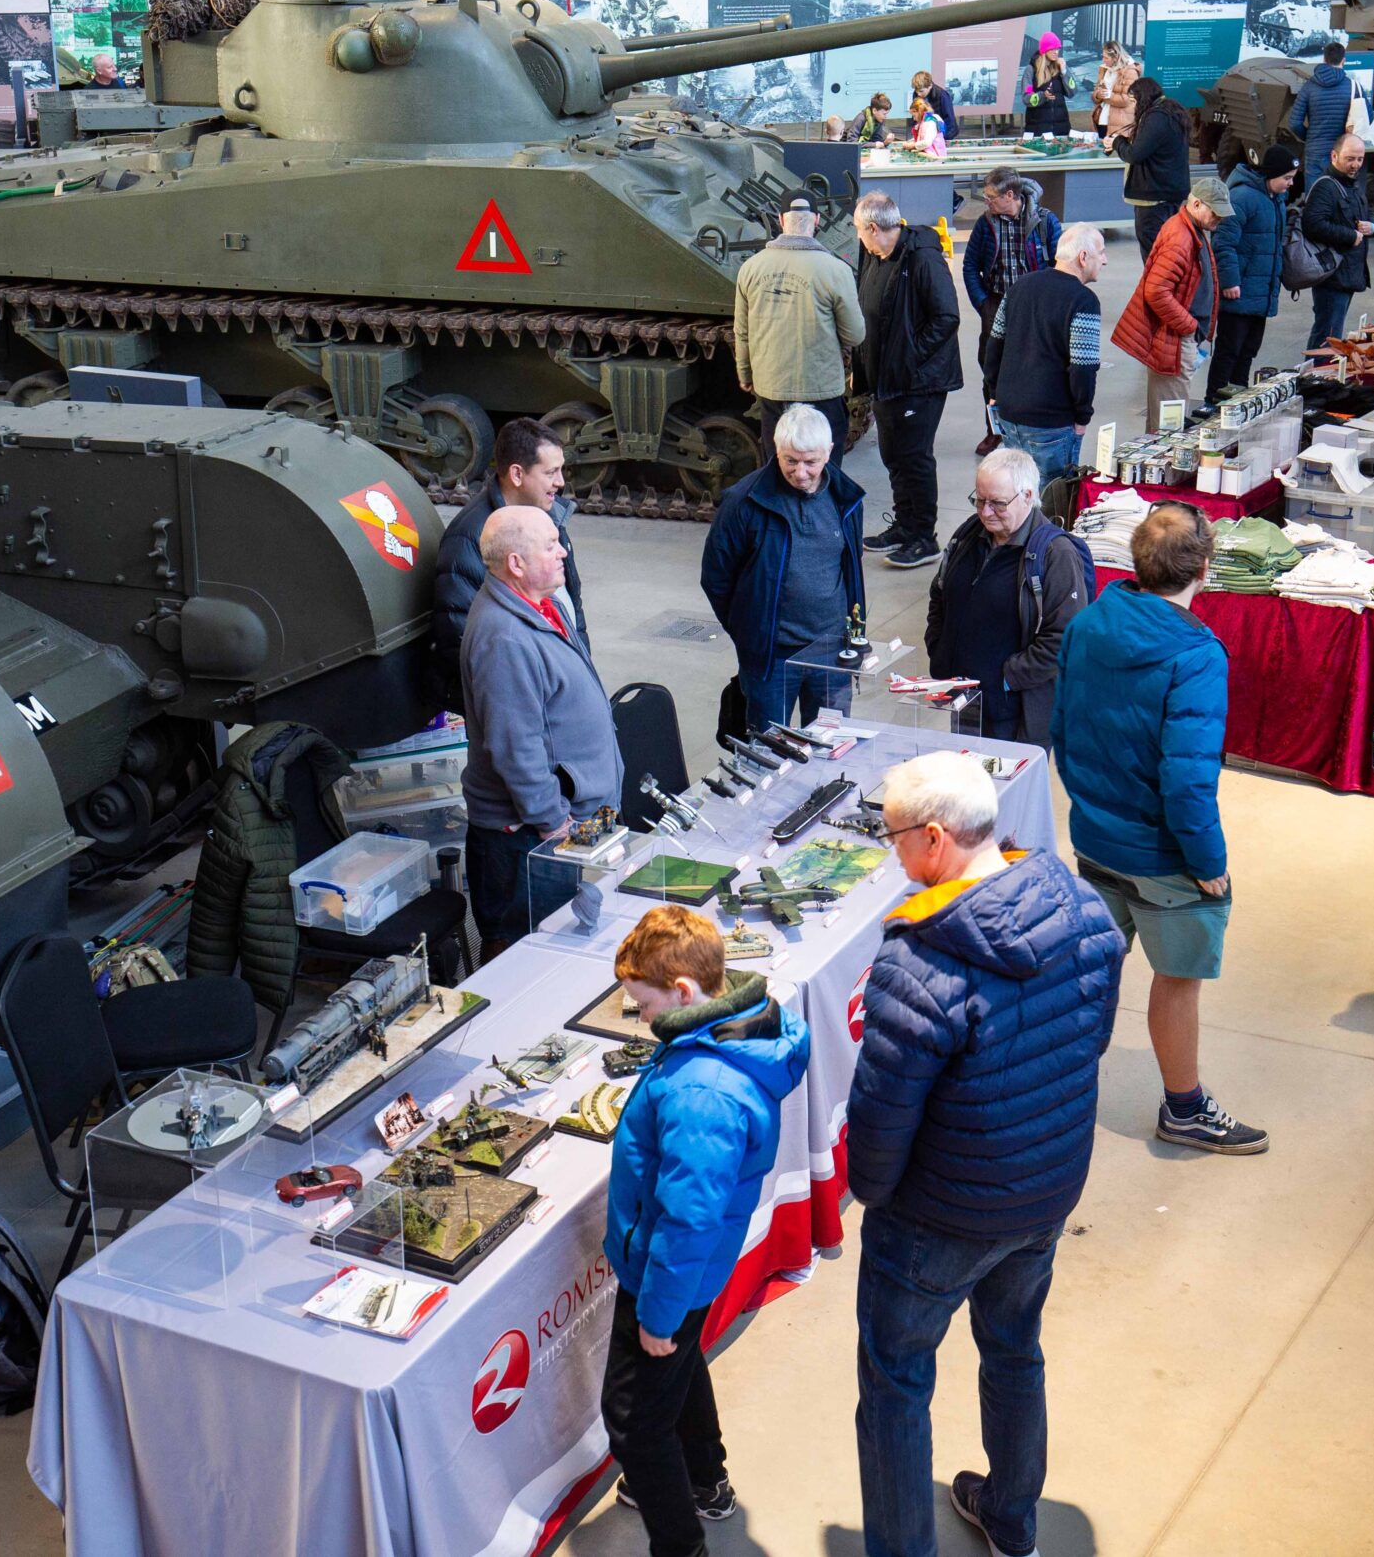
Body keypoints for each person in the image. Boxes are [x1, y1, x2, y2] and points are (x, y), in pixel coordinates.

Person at [846, 752, 1125, 1557]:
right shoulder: (1076, 901)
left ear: (934, 838)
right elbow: (1093, 1033)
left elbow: (881, 1117)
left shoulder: (918, 961)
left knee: (896, 1384)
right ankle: (1011, 1519)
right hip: (1043, 1194)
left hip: (937, 1218)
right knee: (1013, 1346)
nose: (891, 853)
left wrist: (875, 1194)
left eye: (894, 836)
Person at [1054, 504, 1268, 1155]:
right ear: (1206, 568)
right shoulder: (1196, 654)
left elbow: (1064, 729)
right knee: (1176, 980)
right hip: (1162, 853)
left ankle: (1049, 1090)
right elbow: (1186, 780)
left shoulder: (1089, 621)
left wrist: (1092, 807)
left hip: (1094, 836)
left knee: (1087, 971)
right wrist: (1208, 861)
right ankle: (1184, 1109)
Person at [600, 906, 809, 1556]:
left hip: (664, 1276)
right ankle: (705, 1476)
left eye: (642, 1003)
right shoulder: (723, 1035)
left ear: (684, 993)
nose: (639, 1017)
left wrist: (657, 1314)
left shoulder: (701, 1093)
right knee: (680, 1364)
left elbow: (688, 1219)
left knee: (634, 1420)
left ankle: (681, 1543)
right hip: (690, 1272)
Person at [460, 504, 624, 953]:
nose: (563, 553)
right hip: (528, 841)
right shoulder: (504, 637)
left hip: (553, 832)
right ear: (516, 563)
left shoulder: (542, 605)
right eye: (550, 546)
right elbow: (515, 747)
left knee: (558, 942)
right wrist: (554, 820)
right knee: (522, 955)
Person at [701, 404, 866, 730]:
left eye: (811, 462)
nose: (800, 472)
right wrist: (751, 630)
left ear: (829, 451)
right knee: (767, 753)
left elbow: (851, 567)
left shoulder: (845, 498)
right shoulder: (744, 502)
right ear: (775, 450)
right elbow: (716, 577)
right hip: (772, 658)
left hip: (832, 652)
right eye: (790, 460)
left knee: (829, 749)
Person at [924, 448, 1096, 746]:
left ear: (1028, 496)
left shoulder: (1057, 555)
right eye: (979, 500)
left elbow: (1065, 638)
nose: (985, 512)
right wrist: (938, 647)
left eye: (998, 503)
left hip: (1015, 715)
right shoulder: (970, 534)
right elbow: (940, 593)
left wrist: (1005, 679)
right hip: (966, 699)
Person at [431, 417, 586, 712]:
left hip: (558, 686)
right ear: (517, 474)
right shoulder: (469, 539)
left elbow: (570, 603)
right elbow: (461, 637)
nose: (561, 482)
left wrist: (579, 667)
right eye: (551, 472)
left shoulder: (546, 514)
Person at [850, 192, 963, 570]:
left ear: (873, 227)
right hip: (886, 379)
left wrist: (910, 356)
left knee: (914, 458)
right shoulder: (874, 255)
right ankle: (903, 524)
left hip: (919, 382)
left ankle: (924, 536)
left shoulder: (923, 258)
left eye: (859, 231)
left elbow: (946, 317)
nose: (859, 238)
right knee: (893, 456)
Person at [733, 194, 864, 463]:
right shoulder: (835, 270)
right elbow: (855, 334)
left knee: (780, 464)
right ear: (816, 221)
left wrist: (745, 373)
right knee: (824, 467)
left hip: (772, 388)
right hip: (822, 389)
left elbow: (742, 331)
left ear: (781, 221)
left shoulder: (750, 268)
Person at [984, 225, 1103, 480]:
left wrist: (994, 392)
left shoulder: (1020, 286)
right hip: (1052, 423)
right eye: (1100, 253)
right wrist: (1083, 415)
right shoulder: (1084, 301)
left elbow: (994, 344)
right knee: (1052, 503)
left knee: (1015, 494)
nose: (1105, 259)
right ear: (1083, 257)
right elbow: (1083, 368)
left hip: (1009, 414)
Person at [1114, 174, 1228, 428]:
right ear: (1196, 204)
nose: (1219, 218)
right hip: (1174, 339)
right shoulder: (1181, 237)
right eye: (1215, 212)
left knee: (1166, 419)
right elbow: (1155, 291)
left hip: (1178, 338)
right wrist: (1188, 326)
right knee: (1169, 425)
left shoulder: (1191, 229)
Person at [962, 169, 1066, 412]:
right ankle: (994, 432)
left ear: (1010, 195)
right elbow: (969, 266)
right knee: (992, 367)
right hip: (996, 304)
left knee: (1034, 366)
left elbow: (1060, 265)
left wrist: (1047, 305)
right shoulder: (985, 223)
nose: (986, 203)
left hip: (1034, 308)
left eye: (990, 197)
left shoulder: (1045, 221)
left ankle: (1026, 424)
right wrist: (983, 304)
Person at [1207, 143, 1297, 399]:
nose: (1290, 184)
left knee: (1248, 351)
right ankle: (1214, 400)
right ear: (1270, 175)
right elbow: (1223, 242)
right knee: (1229, 351)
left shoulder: (1275, 200)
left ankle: (1237, 397)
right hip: (1239, 293)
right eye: (1286, 178)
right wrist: (1230, 281)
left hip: (1260, 293)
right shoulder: (1243, 198)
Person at [1302, 133, 1374, 353]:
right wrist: (1350, 235)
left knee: (1332, 332)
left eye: (1360, 159)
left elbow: (1368, 212)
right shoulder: (1326, 187)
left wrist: (1371, 225)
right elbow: (1313, 224)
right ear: (1334, 156)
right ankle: (1316, 378)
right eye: (1350, 159)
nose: (1355, 165)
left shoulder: (1352, 185)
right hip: (1333, 275)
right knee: (1328, 335)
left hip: (1348, 273)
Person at [1111, 74, 1190, 251]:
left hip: (1154, 196)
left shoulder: (1156, 118)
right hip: (1170, 191)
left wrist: (1117, 142)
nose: (1130, 106)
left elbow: (1134, 154)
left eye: (1132, 101)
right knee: (1168, 245)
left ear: (1142, 98)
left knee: (1154, 249)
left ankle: (1155, 279)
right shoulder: (1171, 111)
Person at [1285, 40, 1353, 183]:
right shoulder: (1353, 86)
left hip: (1315, 150)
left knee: (1314, 197)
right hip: (1343, 151)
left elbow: (1294, 123)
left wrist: (1309, 136)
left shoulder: (1309, 87)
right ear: (1344, 61)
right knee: (1340, 196)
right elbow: (1368, 117)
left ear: (1324, 59)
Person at [1019, 33, 1070, 137]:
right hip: (1038, 129)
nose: (1056, 52)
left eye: (1058, 49)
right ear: (1044, 50)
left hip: (1061, 129)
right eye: (1052, 49)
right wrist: (1042, 96)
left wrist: (1064, 72)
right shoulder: (1031, 70)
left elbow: (1072, 92)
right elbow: (1026, 97)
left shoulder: (1060, 67)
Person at [1091, 40, 1140, 142]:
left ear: (1115, 57)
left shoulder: (1130, 72)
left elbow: (1126, 100)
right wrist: (1098, 95)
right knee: (1100, 154)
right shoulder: (1105, 69)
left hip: (1120, 124)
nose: (1103, 60)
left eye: (1106, 58)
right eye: (1103, 56)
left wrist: (1109, 96)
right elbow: (1095, 93)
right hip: (1102, 119)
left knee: (1114, 155)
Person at [912, 69, 957, 139]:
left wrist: (941, 138)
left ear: (930, 86)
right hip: (925, 133)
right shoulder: (916, 94)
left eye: (921, 91)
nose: (918, 94)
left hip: (942, 133)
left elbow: (950, 121)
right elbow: (916, 116)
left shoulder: (942, 96)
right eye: (916, 91)